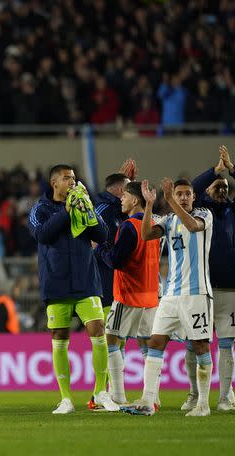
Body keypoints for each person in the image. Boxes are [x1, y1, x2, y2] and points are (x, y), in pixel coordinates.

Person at [27, 165, 119, 414]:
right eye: (67, 178)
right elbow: (42, 234)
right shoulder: (40, 209)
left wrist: (87, 209)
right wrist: (67, 212)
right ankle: (66, 398)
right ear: (54, 182)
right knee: (59, 336)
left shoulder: (82, 203)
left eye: (74, 179)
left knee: (98, 329)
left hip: (86, 280)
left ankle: (101, 391)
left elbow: (103, 235)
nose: (72, 182)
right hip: (56, 282)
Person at [126, 178, 214, 417]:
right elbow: (145, 235)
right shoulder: (168, 220)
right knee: (155, 342)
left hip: (196, 294)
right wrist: (149, 206)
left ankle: (203, 404)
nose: (183, 197)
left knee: (200, 345)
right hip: (171, 296)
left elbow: (193, 227)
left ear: (194, 197)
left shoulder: (204, 215)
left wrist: (171, 201)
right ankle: (147, 399)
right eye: (179, 194)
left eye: (187, 194)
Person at [94, 182, 160, 405]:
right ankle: (153, 397)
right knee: (147, 345)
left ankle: (118, 395)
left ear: (135, 200)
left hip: (128, 294)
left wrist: (100, 247)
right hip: (150, 295)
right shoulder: (154, 223)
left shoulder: (129, 226)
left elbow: (116, 261)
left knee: (111, 338)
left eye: (124, 196)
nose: (121, 199)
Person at [189, 145, 235, 411]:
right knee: (195, 343)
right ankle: (195, 395)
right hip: (202, 287)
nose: (222, 189)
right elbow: (193, 187)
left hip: (229, 287)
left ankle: (224, 398)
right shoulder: (199, 209)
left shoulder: (232, 211)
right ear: (206, 191)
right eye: (217, 186)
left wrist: (231, 169)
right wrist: (215, 171)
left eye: (226, 186)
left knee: (227, 343)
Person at [94, 168, 133, 318]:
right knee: (109, 332)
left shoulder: (118, 210)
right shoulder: (102, 211)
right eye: (130, 188)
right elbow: (96, 245)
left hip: (120, 281)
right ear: (122, 190)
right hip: (106, 281)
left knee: (118, 333)